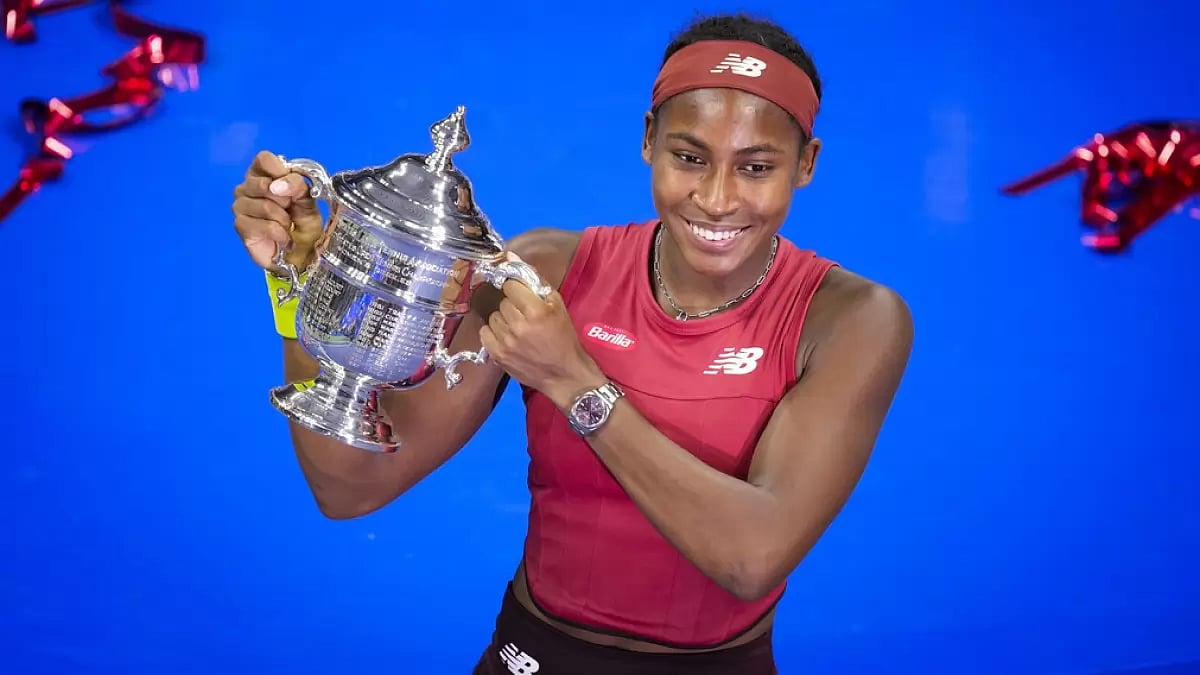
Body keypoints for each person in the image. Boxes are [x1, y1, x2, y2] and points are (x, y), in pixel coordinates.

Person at [231, 12, 913, 675]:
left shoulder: (852, 319)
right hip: (534, 653)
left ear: (806, 164)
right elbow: (350, 487)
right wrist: (299, 285)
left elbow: (752, 556)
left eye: (757, 168)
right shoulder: (546, 273)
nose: (716, 198)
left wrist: (575, 381)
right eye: (689, 157)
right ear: (648, 139)